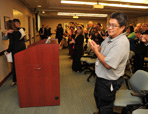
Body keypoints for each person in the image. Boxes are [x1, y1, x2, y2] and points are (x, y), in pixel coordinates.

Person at [89, 12, 129, 114]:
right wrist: (98, 48)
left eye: (114, 25)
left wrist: (96, 51)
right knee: (99, 100)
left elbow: (108, 65)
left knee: (105, 106)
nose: (110, 28)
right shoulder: (110, 37)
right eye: (109, 24)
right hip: (102, 77)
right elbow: (104, 51)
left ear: (122, 27)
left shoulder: (121, 43)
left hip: (109, 81)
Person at [5, 19, 26, 86]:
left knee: (15, 66)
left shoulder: (13, 32)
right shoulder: (19, 31)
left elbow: (12, 43)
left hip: (17, 50)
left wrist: (8, 51)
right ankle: (20, 78)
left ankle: (15, 80)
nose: (18, 24)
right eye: (17, 23)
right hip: (21, 48)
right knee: (21, 64)